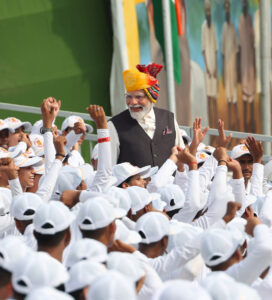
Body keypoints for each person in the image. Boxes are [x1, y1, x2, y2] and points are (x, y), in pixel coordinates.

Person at [108, 63, 185, 168]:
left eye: (139, 97)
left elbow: (181, 156)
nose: (133, 102)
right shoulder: (114, 125)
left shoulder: (168, 118)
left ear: (151, 97)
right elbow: (109, 167)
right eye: (128, 97)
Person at [202, 0, 218, 142]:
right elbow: (203, 50)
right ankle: (211, 128)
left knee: (215, 99)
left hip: (214, 68)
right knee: (209, 98)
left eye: (209, 10)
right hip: (208, 69)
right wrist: (208, 68)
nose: (208, 13)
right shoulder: (203, 28)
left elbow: (216, 49)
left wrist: (215, 68)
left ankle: (218, 129)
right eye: (206, 10)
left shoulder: (212, 26)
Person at [222, 0, 239, 130]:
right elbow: (223, 52)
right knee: (228, 98)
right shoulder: (224, 29)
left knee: (235, 99)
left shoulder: (232, 27)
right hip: (227, 70)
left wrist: (237, 70)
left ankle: (236, 125)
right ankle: (229, 128)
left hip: (233, 68)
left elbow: (236, 50)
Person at [239, 0, 256, 132]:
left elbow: (252, 41)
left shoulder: (250, 20)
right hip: (243, 61)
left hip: (250, 60)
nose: (245, 6)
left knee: (251, 92)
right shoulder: (241, 20)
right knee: (244, 92)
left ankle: (252, 122)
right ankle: (245, 122)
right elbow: (240, 45)